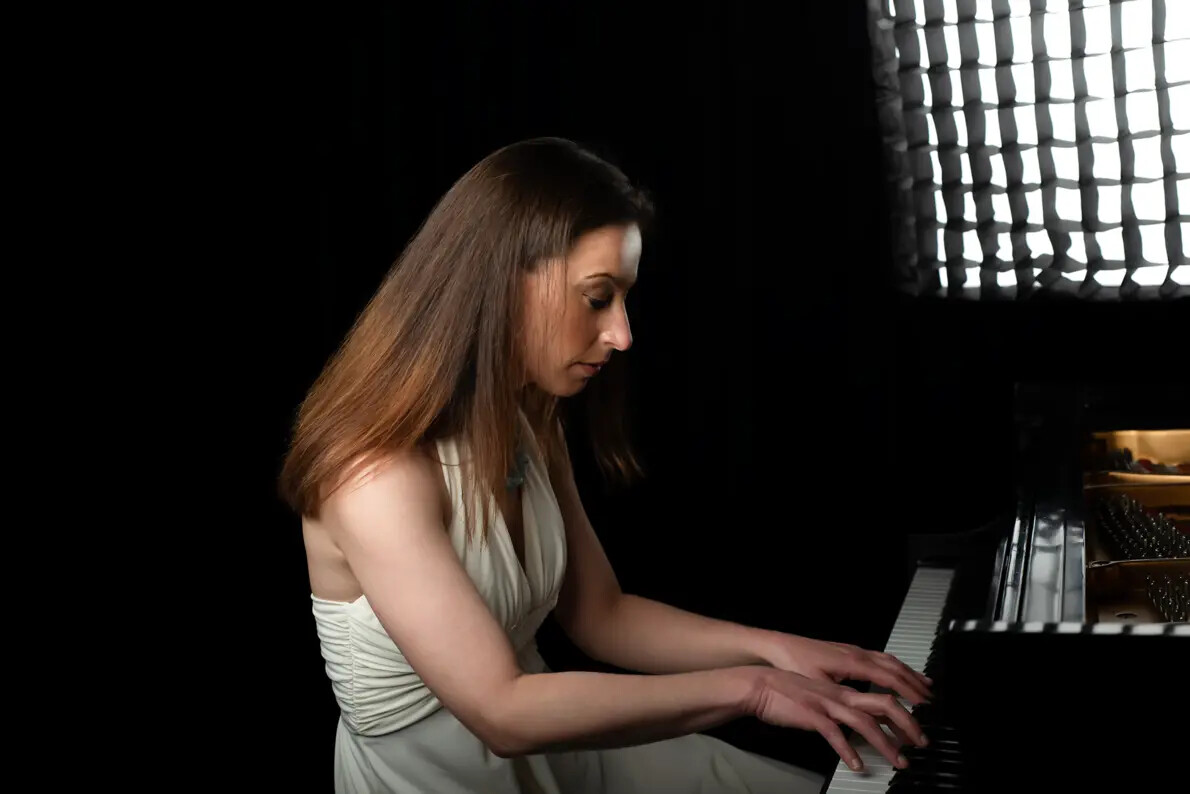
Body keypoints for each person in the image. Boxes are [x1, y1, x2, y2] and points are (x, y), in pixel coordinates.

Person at [278, 137, 932, 793]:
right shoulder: (373, 477)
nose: (622, 335)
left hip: (561, 746)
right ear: (499, 285)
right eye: (597, 297)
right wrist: (754, 690)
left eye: (623, 299)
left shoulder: (527, 418)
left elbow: (600, 615)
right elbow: (501, 713)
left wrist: (773, 648)